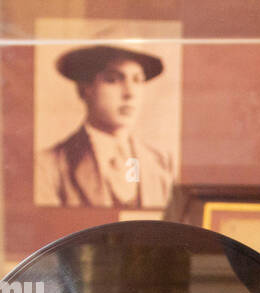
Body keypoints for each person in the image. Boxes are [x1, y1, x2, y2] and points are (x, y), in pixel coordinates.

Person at [35, 45, 173, 208]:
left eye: (137, 80)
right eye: (113, 79)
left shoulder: (162, 164)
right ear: (85, 89)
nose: (130, 93)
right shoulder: (49, 166)